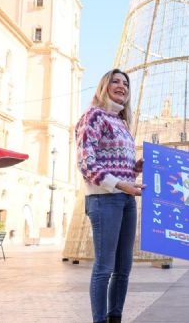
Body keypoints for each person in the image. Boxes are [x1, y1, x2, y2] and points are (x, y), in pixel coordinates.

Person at [76, 68, 145, 323]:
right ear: (104, 86)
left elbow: (119, 165)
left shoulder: (122, 123)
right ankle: (99, 320)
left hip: (126, 199)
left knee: (123, 268)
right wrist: (119, 185)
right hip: (104, 199)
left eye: (125, 83)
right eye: (115, 81)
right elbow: (86, 162)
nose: (121, 86)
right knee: (104, 268)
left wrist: (137, 168)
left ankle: (115, 317)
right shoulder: (93, 116)